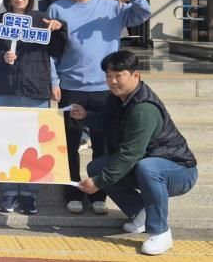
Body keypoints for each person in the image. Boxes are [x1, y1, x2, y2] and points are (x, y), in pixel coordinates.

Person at [47, 0, 152, 215]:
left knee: (104, 146)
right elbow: (50, 49)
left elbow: (142, 13)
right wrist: (54, 80)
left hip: (107, 88)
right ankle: (72, 193)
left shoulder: (112, 6)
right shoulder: (57, 9)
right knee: (68, 144)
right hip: (71, 87)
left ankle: (99, 194)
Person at [74, 50, 197, 256]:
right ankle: (140, 213)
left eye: (119, 75)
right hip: (144, 163)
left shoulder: (144, 108)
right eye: (109, 76)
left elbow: (130, 154)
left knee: (146, 167)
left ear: (135, 75)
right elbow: (105, 122)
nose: (113, 81)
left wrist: (99, 182)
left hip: (178, 170)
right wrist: (85, 116)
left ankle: (160, 231)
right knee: (97, 167)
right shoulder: (117, 98)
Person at [0, 0, 68, 214]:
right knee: (7, 143)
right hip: (5, 90)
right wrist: (2, 57)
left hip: (35, 90)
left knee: (33, 144)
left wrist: (60, 29)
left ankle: (29, 195)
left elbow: (58, 50)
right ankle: (9, 193)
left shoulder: (42, 20)